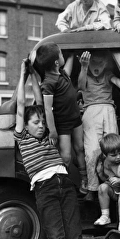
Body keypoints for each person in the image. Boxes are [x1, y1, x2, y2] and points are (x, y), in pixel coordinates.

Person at [14, 59, 88, 239]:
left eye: (41, 122)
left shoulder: (48, 136)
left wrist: (36, 75)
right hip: (45, 188)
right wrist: (23, 74)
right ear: (25, 125)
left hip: (65, 184)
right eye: (35, 123)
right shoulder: (22, 137)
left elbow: (40, 98)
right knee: (56, 238)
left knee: (74, 238)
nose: (40, 126)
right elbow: (22, 104)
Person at [77, 50, 120, 201]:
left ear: (107, 63)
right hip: (90, 113)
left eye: (101, 63)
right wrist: (83, 67)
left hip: (108, 111)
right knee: (92, 151)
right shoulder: (85, 74)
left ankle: (116, 186)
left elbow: (117, 81)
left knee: (113, 148)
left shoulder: (108, 74)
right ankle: (93, 188)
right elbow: (81, 86)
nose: (97, 67)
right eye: (93, 63)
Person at [35, 42, 88, 193]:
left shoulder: (61, 73)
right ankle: (63, 185)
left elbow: (68, 70)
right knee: (65, 156)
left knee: (80, 148)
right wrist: (52, 131)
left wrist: (71, 55)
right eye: (61, 54)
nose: (63, 55)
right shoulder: (49, 82)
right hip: (63, 124)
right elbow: (47, 108)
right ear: (57, 62)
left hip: (75, 118)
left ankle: (84, 180)